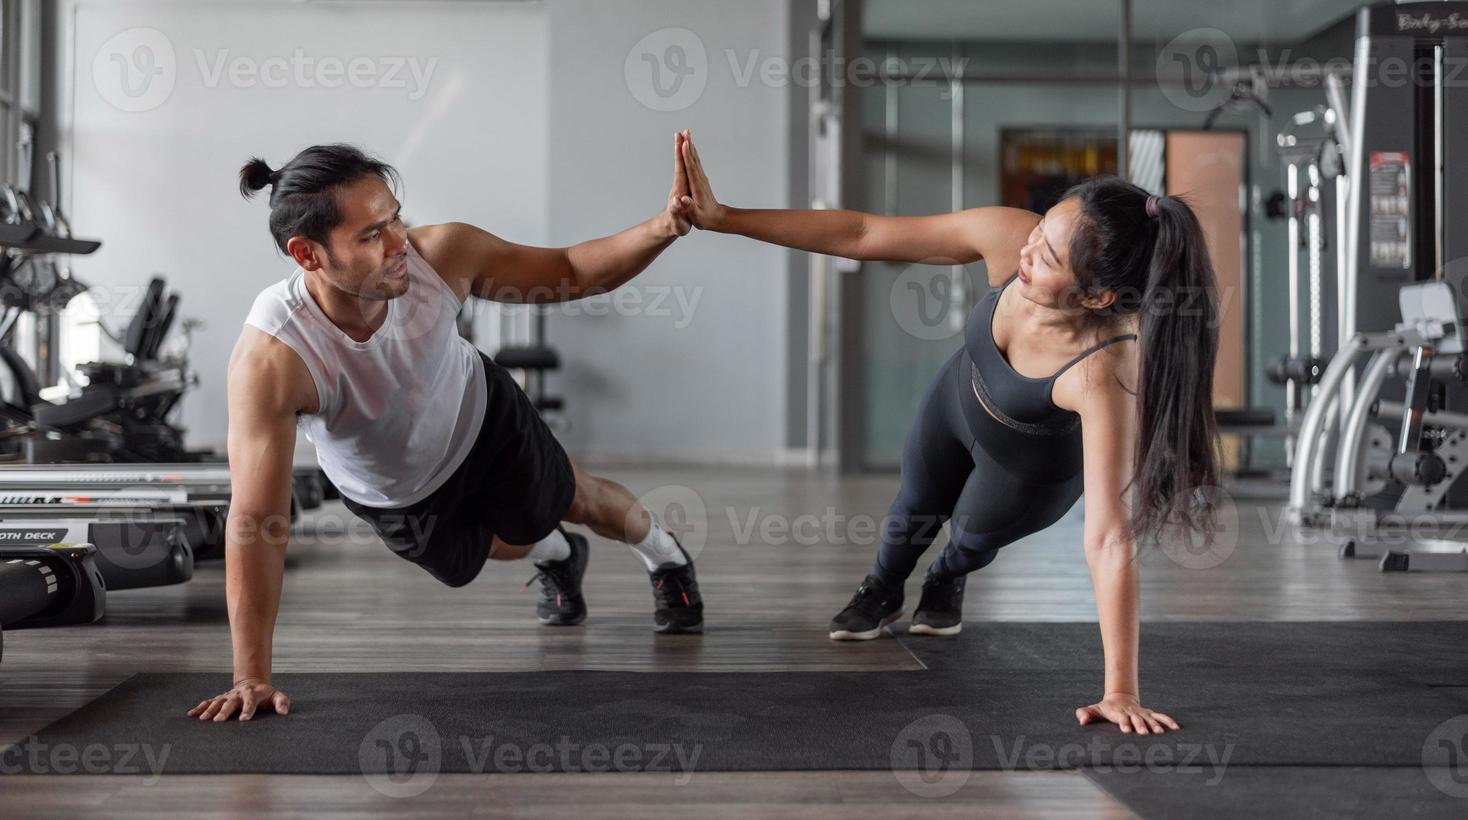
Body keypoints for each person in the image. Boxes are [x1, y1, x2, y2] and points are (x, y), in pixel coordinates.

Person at [672, 130, 1220, 735]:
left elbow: (1111, 539)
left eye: (1048, 257)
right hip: (958, 401)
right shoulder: (1012, 236)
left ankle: (948, 577)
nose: (1028, 249)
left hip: (1030, 470)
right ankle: (882, 589)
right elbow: (863, 233)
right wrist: (725, 218)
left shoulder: (1104, 370)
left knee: (967, 537)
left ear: (1097, 295)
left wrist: (1121, 689)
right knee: (912, 510)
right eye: (1041, 228)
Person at [189, 142, 703, 724]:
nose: (399, 242)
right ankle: (560, 554)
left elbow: (571, 270)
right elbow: (257, 521)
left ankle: (666, 559)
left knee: (573, 498)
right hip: (395, 491)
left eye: (396, 218)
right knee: (469, 560)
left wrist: (664, 226)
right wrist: (250, 675)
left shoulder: (443, 255)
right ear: (307, 254)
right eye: (371, 235)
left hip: (482, 418)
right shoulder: (273, 358)